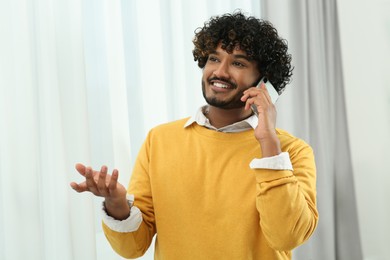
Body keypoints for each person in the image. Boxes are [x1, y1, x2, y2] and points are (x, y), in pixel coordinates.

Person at [70, 11, 318, 260]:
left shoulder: (291, 151)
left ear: (264, 82)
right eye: (213, 58)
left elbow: (286, 237)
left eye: (238, 63)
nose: (220, 72)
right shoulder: (159, 140)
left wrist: (268, 142)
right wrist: (117, 204)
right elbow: (133, 247)